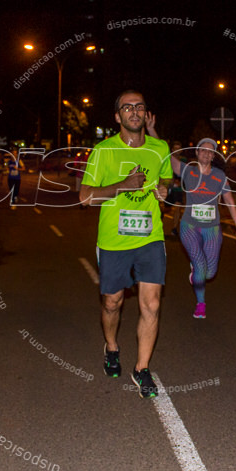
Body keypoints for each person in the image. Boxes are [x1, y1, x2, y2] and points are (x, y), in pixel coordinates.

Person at [80, 90, 172, 398]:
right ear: (117, 116)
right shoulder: (103, 151)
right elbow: (85, 197)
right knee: (112, 302)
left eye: (140, 107)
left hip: (150, 238)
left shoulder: (160, 148)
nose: (134, 111)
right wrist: (122, 186)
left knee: (152, 304)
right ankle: (111, 347)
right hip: (114, 241)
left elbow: (167, 180)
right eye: (127, 107)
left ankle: (141, 369)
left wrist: (163, 188)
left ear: (147, 115)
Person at [146, 117, 236, 319]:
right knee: (201, 267)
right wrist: (151, 130)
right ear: (198, 152)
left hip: (212, 229)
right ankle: (201, 303)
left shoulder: (219, 175)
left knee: (210, 273)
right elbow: (165, 154)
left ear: (213, 155)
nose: (207, 153)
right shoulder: (187, 171)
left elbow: (229, 200)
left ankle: (196, 272)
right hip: (189, 226)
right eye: (204, 150)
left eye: (211, 151)